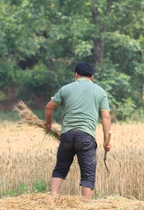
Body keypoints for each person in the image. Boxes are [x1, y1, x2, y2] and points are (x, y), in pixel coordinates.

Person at [44, 62, 111, 199]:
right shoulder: (100, 91)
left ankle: (53, 197)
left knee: (60, 168)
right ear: (92, 77)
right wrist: (106, 142)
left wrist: (49, 124)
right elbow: (106, 116)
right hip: (86, 137)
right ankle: (85, 207)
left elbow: (48, 107)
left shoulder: (65, 89)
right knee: (88, 174)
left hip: (67, 136)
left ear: (76, 75)